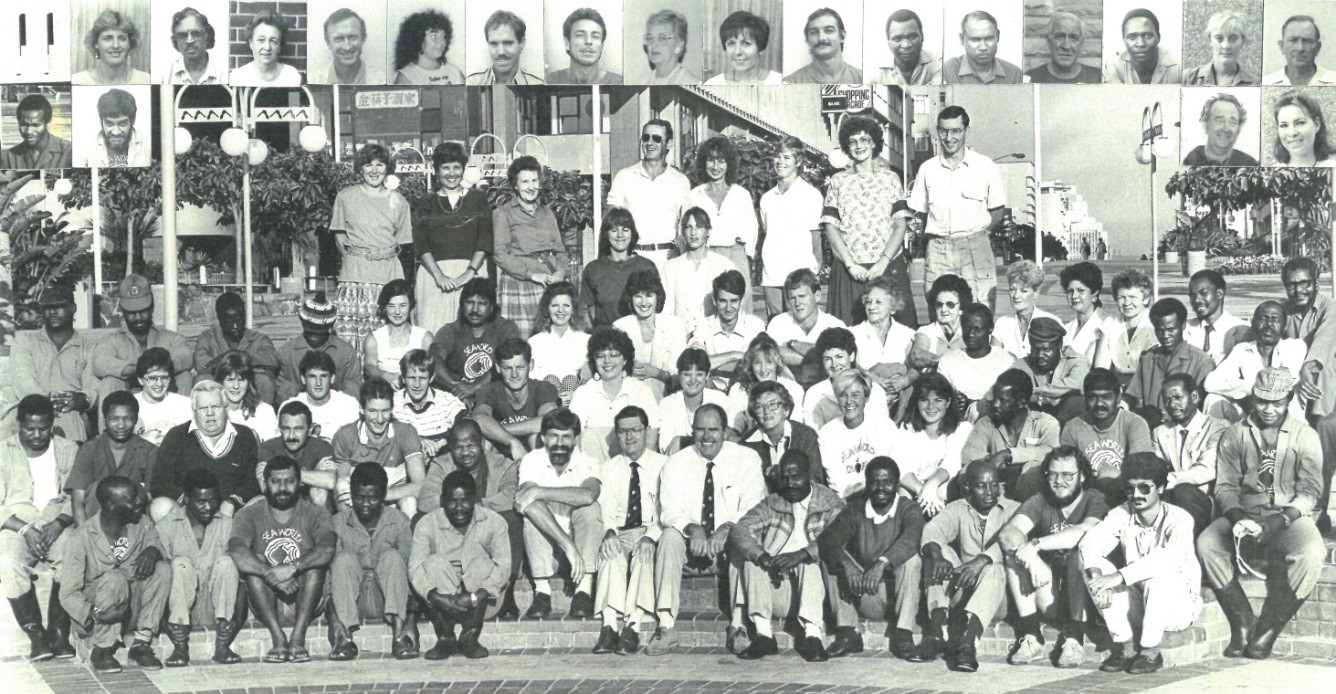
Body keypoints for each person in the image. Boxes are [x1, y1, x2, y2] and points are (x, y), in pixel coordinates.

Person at [1196, 368, 1324, 660]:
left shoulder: (1305, 435)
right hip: (1245, 512)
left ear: (1288, 400)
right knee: (1207, 544)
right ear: (1253, 398)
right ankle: (1242, 619)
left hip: (1288, 515)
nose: (1268, 409)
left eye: (1277, 403)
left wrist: (1282, 519)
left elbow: (1310, 491)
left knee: (1312, 553)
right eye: (1262, 401)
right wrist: (1237, 517)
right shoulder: (1235, 433)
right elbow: (1225, 486)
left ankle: (1268, 628)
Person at [650, 405, 766, 655]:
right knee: (669, 536)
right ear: (692, 431)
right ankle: (666, 625)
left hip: (727, 548)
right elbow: (669, 511)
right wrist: (694, 529)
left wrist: (726, 528)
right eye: (700, 430)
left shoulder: (746, 459)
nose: (706, 437)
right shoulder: (676, 462)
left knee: (743, 536)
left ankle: (738, 625)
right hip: (691, 548)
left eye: (713, 430)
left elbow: (752, 506)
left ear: (725, 431)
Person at [1080, 454, 1203, 675]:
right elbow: (1090, 543)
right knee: (1093, 566)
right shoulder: (1122, 513)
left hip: (1176, 607)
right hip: (1140, 605)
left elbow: (1168, 558)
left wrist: (1118, 577)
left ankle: (1150, 651)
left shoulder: (1180, 519)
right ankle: (1126, 646)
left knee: (1159, 576)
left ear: (1161, 488)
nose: (1136, 495)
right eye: (1130, 488)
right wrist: (1099, 580)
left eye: (1144, 488)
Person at [998, 446, 1109, 668]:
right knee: (1014, 553)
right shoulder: (1041, 500)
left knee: (1081, 551)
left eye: (1067, 475)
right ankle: (1032, 636)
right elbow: (1008, 533)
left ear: (1082, 476)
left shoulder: (1095, 499)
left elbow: (1084, 531)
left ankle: (1075, 639)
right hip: (1050, 594)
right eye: (1053, 474)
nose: (1059, 481)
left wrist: (1036, 544)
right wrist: (1032, 559)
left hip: (1088, 597)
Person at [729, 451, 843, 662]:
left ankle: (813, 636)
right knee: (752, 561)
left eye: (796, 477)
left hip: (814, 592)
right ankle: (764, 636)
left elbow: (840, 537)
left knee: (809, 563)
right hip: (777, 586)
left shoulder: (829, 502)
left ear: (809, 476)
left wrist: (802, 554)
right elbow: (740, 530)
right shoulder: (774, 502)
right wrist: (763, 557)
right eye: (785, 478)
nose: (790, 484)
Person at [908, 461, 1018, 672]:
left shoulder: (1014, 509)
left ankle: (968, 643)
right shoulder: (958, 507)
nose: (989, 492)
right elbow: (934, 528)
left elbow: (1013, 541)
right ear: (968, 486)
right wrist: (937, 555)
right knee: (937, 551)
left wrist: (982, 560)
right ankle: (936, 634)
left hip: (997, 598)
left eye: (994, 485)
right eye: (981, 486)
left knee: (994, 568)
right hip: (963, 592)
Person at [228, 457, 335, 663]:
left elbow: (327, 549)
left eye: (290, 481)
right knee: (255, 564)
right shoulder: (248, 514)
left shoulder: (316, 513)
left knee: (315, 566)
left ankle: (298, 637)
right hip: (266, 601)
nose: (283, 488)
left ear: (300, 483)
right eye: (276, 482)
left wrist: (292, 567)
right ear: (265, 484)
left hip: (306, 598)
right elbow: (237, 551)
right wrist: (272, 573)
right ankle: (278, 637)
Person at [58, 475, 168, 672]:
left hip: (129, 611)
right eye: (131, 499)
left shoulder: (141, 523)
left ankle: (141, 644)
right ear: (111, 505)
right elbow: (67, 594)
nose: (139, 502)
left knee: (162, 569)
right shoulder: (79, 539)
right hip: (97, 617)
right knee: (115, 577)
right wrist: (96, 614)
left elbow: (156, 543)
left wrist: (153, 551)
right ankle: (102, 649)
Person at [417, 418, 523, 620]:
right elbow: (425, 500)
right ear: (450, 448)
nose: (465, 452)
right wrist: (456, 507)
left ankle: (507, 592)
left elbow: (511, 496)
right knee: (419, 520)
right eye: (458, 447)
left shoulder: (502, 464)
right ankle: (425, 596)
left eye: (471, 445)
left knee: (512, 519)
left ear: (482, 443)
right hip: (451, 528)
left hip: (486, 530)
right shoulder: (441, 464)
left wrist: (474, 507)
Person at [818, 457, 924, 659]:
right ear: (867, 484)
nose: (881, 488)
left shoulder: (908, 508)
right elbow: (828, 539)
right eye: (875, 482)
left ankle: (904, 634)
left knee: (912, 559)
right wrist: (847, 565)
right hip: (865, 592)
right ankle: (848, 633)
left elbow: (911, 539)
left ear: (897, 484)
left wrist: (882, 564)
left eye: (887, 482)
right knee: (831, 557)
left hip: (897, 596)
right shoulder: (855, 509)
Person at [0, 395, 78, 662]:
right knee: (7, 560)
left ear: (52, 424)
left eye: (43, 429)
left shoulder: (68, 449)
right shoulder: (2, 451)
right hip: (16, 524)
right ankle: (36, 636)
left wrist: (60, 523)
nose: (36, 435)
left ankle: (59, 633)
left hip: (57, 521)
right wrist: (25, 529)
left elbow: (77, 495)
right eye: (29, 428)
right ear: (18, 424)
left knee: (72, 553)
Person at [908, 106, 1006, 309]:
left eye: (956, 131)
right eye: (943, 131)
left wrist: (980, 234)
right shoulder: (927, 169)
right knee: (940, 309)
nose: (949, 137)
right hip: (938, 250)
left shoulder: (984, 166)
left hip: (976, 248)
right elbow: (920, 212)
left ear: (966, 131)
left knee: (979, 310)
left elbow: (997, 209)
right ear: (937, 131)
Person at [822, 115, 915, 326]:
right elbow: (830, 227)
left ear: (874, 143)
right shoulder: (838, 181)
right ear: (847, 146)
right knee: (849, 332)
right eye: (853, 141)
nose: (859, 146)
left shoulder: (890, 179)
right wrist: (850, 265)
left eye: (864, 139)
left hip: (886, 267)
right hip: (851, 271)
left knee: (895, 331)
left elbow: (900, 225)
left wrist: (883, 262)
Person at [149, 469, 245, 667]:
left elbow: (243, 579)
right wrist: (166, 622)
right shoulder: (167, 526)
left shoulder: (229, 525)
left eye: (213, 500)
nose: (208, 507)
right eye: (201, 501)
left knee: (227, 562)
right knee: (179, 564)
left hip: (218, 609)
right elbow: (160, 579)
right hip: (180, 613)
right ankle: (180, 647)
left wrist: (235, 621)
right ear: (186, 499)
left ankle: (223, 646)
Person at [411, 469, 510, 659]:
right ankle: (445, 638)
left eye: (465, 500)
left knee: (482, 563)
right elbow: (415, 568)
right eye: (452, 501)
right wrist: (434, 596)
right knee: (434, 563)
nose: (459, 507)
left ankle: (470, 636)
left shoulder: (495, 522)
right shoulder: (426, 524)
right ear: (442, 501)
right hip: (441, 601)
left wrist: (474, 597)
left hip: (482, 601)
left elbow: (503, 567)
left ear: (475, 499)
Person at [592, 406, 666, 655]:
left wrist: (650, 537)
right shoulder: (608, 468)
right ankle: (609, 626)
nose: (629, 436)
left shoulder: (663, 465)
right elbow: (607, 509)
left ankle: (633, 625)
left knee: (644, 556)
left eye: (635, 430)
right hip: (621, 530)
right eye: (623, 431)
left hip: (651, 529)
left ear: (646, 431)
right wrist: (609, 533)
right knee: (609, 553)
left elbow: (666, 510)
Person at [516, 409, 602, 619]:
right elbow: (524, 502)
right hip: (549, 552)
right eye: (554, 436)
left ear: (576, 439)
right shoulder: (532, 459)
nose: (560, 443)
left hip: (581, 554)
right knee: (531, 514)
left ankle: (583, 591)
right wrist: (568, 546)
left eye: (566, 437)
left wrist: (539, 492)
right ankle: (542, 592)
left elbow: (588, 495)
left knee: (590, 509)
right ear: (543, 437)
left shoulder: (588, 461)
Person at [326, 463, 415, 661]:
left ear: (383, 495)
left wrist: (411, 617)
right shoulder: (337, 523)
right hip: (350, 601)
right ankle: (344, 638)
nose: (365, 504)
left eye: (373, 497)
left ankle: (400, 636)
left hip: (388, 601)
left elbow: (410, 573)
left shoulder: (399, 521)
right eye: (360, 497)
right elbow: (330, 579)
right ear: (351, 494)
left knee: (392, 556)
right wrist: (333, 618)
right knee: (343, 559)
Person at [331, 145, 414, 338]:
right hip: (355, 276)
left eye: (380, 165)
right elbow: (339, 237)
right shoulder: (345, 197)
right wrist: (357, 259)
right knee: (352, 335)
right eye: (368, 165)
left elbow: (404, 244)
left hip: (388, 276)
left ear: (388, 168)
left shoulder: (399, 201)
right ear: (360, 168)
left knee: (386, 334)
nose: (374, 171)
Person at [411, 142, 492, 333]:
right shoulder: (425, 202)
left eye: (456, 167)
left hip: (472, 274)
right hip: (434, 278)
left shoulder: (478, 199)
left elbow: (485, 240)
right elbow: (421, 244)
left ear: (463, 169)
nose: (451, 173)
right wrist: (439, 276)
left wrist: (469, 274)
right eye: (445, 168)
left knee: (472, 334)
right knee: (434, 333)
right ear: (436, 171)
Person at [152, 381, 264, 509]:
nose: (210, 413)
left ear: (225, 408)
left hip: (232, 511)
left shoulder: (244, 435)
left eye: (215, 407)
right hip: (188, 512)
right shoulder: (177, 436)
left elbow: (252, 481)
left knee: (261, 502)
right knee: (160, 507)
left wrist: (232, 503)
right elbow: (160, 482)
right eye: (203, 408)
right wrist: (193, 502)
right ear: (194, 410)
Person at [493, 156, 571, 336]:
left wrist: (560, 272)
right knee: (522, 341)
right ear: (515, 185)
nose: (531, 187)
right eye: (525, 181)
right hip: (519, 284)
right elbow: (500, 255)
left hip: (549, 284)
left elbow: (560, 250)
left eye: (534, 181)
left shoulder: (547, 212)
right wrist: (532, 275)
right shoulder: (503, 213)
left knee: (551, 339)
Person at [9, 284, 97, 443]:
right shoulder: (25, 342)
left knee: (69, 428)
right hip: (31, 409)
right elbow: (23, 381)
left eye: (59, 306)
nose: (52, 312)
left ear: (72, 308)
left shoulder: (88, 347)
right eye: (47, 307)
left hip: (70, 412)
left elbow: (92, 385)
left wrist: (81, 399)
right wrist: (45, 402)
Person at [328, 378, 426, 518]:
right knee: (342, 486)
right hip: (360, 501)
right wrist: (364, 498)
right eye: (373, 411)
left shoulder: (406, 432)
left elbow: (420, 485)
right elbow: (343, 480)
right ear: (362, 409)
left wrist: (378, 496)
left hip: (393, 498)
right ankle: (352, 529)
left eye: (385, 411)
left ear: (392, 410)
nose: (380, 419)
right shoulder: (346, 435)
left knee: (409, 502)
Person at [961, 369, 1060, 502]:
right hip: (994, 493)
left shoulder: (1045, 422)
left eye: (1003, 400)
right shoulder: (987, 422)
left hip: (1030, 498)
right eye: (995, 398)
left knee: (1033, 469)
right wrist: (991, 460)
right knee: (967, 472)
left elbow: (1051, 451)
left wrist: (1008, 455)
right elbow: (968, 453)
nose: (995, 404)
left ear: (1022, 402)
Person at [91, 274, 194, 402]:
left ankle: (182, 416)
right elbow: (99, 363)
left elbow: (185, 357)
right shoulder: (111, 340)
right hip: (126, 406)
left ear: (152, 308)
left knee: (184, 376)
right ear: (123, 311)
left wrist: (156, 371)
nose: (138, 317)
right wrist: (140, 369)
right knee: (111, 381)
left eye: (143, 311)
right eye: (132, 313)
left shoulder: (172, 338)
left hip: (164, 400)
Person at [606, 120, 691, 271]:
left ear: (669, 144)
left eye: (656, 138)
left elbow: (685, 225)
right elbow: (610, 222)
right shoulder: (624, 176)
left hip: (668, 261)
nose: (650, 143)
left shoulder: (681, 181)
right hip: (632, 259)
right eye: (646, 138)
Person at [1205, 301, 1308, 422]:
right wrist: (1251, 388)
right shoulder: (1242, 350)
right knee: (1213, 399)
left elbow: (1282, 382)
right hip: (1252, 417)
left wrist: (1249, 392)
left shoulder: (1295, 347)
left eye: (1275, 319)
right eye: (1263, 318)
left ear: (1284, 327)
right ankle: (1216, 433)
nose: (1268, 324)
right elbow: (1210, 383)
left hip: (1286, 420)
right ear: (1253, 324)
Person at [569, 328, 660, 464]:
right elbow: (572, 435)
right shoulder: (584, 392)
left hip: (632, 463)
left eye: (614, 355)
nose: (607, 361)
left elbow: (651, 436)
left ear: (625, 360)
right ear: (594, 361)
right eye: (601, 356)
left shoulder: (641, 390)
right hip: (593, 466)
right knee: (589, 435)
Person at [1150, 374, 1225, 535]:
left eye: (1178, 397)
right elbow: (1157, 468)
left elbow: (1207, 469)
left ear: (1194, 397)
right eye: (1167, 400)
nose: (1172, 404)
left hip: (1204, 500)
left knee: (1182, 491)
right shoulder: (1160, 432)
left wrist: (1170, 479)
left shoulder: (1217, 427)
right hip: (1171, 495)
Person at [1059, 369, 1154, 497]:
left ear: (1118, 398)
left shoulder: (1134, 423)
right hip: (1085, 493)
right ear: (1085, 399)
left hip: (1125, 494)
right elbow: (1067, 470)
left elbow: (1140, 468)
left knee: (1109, 473)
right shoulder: (1072, 427)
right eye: (1092, 397)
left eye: (1106, 397)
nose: (1099, 403)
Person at [889, 374, 974, 517]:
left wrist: (932, 485)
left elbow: (952, 463)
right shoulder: (907, 429)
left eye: (938, 400)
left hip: (944, 491)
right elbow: (900, 467)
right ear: (917, 402)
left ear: (948, 402)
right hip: (918, 491)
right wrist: (923, 491)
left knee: (942, 490)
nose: (931, 407)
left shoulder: (962, 429)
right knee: (902, 493)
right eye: (924, 400)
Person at [66, 391, 155, 525]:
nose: (121, 425)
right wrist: (83, 532)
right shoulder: (89, 449)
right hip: (94, 526)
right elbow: (78, 500)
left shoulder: (149, 451)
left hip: (132, 524)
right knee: (97, 488)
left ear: (136, 420)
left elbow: (150, 498)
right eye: (114, 419)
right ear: (104, 420)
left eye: (127, 419)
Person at [757, 137, 822, 318]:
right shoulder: (766, 198)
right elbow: (767, 232)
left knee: (801, 323)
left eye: (787, 157)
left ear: (798, 161)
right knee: (775, 324)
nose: (780, 162)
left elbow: (816, 237)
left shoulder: (811, 195)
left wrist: (815, 269)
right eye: (778, 157)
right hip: (772, 274)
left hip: (800, 274)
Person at [684, 137, 758, 295]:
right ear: (704, 163)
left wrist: (745, 258)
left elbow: (751, 231)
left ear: (729, 164)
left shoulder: (741, 195)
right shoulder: (694, 196)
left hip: (736, 258)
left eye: (721, 161)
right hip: (703, 257)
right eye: (711, 160)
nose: (716, 167)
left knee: (737, 304)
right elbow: (683, 232)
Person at [1126, 298, 1217, 426]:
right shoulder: (1148, 359)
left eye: (1170, 329)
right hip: (1149, 428)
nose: (1165, 335)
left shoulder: (1203, 362)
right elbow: (1133, 397)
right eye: (1159, 330)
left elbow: (1199, 408)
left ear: (1183, 325)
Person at [431, 277, 522, 401]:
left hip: (496, 397)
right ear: (462, 305)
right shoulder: (450, 331)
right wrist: (457, 388)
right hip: (458, 398)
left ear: (491, 307)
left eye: (482, 304)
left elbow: (510, 362)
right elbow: (434, 358)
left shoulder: (505, 328)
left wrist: (475, 387)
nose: (475, 310)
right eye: (469, 302)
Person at [470, 338, 560, 461]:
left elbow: (547, 421)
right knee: (485, 442)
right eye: (508, 368)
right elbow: (478, 419)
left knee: (536, 437)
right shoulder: (489, 390)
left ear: (531, 365)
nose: (514, 374)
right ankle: (489, 474)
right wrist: (512, 441)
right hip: (501, 451)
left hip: (532, 453)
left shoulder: (543, 388)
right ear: (498, 368)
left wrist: (498, 429)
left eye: (520, 367)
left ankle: (539, 473)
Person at [818, 369, 896, 499]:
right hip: (848, 501)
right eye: (843, 395)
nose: (849, 401)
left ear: (866, 397)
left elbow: (888, 473)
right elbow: (838, 485)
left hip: (882, 496)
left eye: (855, 395)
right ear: (837, 398)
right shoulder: (827, 434)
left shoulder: (884, 426)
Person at [193, 292, 281, 406]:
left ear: (244, 317)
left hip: (248, 393)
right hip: (218, 393)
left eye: (239, 321)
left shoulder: (257, 338)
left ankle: (262, 414)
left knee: (264, 380)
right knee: (202, 379)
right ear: (220, 320)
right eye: (229, 322)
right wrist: (228, 361)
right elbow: (200, 363)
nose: (235, 326)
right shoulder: (208, 337)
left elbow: (274, 359)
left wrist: (244, 358)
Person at [937, 304, 1022, 418]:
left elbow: (1012, 401)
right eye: (967, 328)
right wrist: (953, 401)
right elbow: (939, 397)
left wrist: (971, 403)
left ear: (990, 329)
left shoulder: (1006, 360)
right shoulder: (948, 360)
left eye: (977, 329)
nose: (971, 334)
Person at [661, 208, 737, 334]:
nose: (693, 233)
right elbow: (666, 311)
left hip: (714, 336)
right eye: (688, 227)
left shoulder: (724, 265)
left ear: (708, 231)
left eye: (699, 227)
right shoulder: (671, 267)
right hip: (680, 336)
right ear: (683, 232)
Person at [276, 292, 361, 403]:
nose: (313, 337)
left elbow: (354, 386)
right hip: (298, 407)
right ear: (303, 325)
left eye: (319, 333)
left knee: (351, 387)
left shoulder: (346, 352)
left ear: (329, 328)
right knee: (286, 387)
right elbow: (281, 388)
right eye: (310, 332)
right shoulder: (286, 351)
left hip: (336, 406)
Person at [581, 207, 657, 329]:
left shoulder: (646, 266)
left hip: (637, 335)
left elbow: (654, 307)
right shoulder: (593, 269)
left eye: (625, 230)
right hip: (606, 335)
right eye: (614, 230)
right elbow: (590, 310)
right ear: (606, 234)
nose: (620, 235)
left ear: (632, 233)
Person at [802, 328, 892, 431]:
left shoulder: (875, 391)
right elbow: (813, 433)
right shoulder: (814, 394)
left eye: (839, 357)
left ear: (852, 356)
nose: (834, 364)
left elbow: (883, 430)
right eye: (827, 359)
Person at [770, 269, 849, 388]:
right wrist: (820, 358)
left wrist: (792, 345)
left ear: (817, 296)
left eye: (802, 296)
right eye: (792, 298)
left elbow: (842, 361)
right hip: (789, 389)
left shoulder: (835, 325)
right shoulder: (778, 322)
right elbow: (769, 352)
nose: (797, 303)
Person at [741, 380, 823, 491]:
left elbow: (816, 479)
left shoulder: (805, 435)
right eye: (759, 407)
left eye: (773, 404)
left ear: (786, 410)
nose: (766, 411)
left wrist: (778, 473)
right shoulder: (746, 443)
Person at [689, 270, 765, 385]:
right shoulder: (703, 325)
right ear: (714, 301)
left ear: (742, 301)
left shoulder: (755, 325)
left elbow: (758, 364)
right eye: (723, 301)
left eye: (734, 301)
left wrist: (712, 364)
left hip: (746, 387)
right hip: (711, 389)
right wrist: (734, 355)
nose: (728, 308)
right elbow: (694, 364)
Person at [851, 278, 916, 411]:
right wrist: (869, 376)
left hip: (902, 405)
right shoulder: (852, 334)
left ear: (893, 307)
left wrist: (905, 380)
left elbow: (917, 369)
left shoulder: (908, 335)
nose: (871, 307)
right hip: (865, 405)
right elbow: (847, 368)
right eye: (868, 301)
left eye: (878, 302)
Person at [258, 400, 337, 508]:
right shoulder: (268, 448)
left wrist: (279, 475)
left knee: (319, 492)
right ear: (279, 429)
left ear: (310, 429)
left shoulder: (321, 446)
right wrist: (313, 473)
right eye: (286, 429)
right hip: (279, 504)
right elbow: (264, 487)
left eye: (298, 429)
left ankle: (319, 520)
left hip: (310, 505)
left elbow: (330, 481)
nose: (291, 436)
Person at [392, 350, 466, 458]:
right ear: (403, 378)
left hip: (442, 459)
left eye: (422, 378)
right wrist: (417, 441)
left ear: (431, 378)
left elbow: (466, 426)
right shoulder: (393, 403)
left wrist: (441, 443)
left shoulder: (446, 401)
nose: (417, 385)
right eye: (411, 378)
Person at [724, 335, 806, 432]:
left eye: (769, 362)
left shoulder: (794, 389)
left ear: (777, 363)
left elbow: (796, 428)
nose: (763, 369)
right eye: (757, 362)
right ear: (751, 364)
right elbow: (733, 428)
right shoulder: (739, 389)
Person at [657, 348, 729, 455]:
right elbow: (666, 446)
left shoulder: (720, 399)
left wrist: (682, 441)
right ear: (679, 375)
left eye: (699, 374)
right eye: (687, 374)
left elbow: (726, 439)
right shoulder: (667, 404)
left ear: (707, 376)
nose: (693, 380)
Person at [528, 282, 590, 407]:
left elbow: (590, 380)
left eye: (566, 305)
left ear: (573, 309)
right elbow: (531, 379)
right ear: (547, 309)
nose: (560, 310)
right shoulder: (534, 342)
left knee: (571, 380)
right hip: (546, 404)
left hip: (578, 404)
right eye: (555, 305)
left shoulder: (586, 340)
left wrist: (576, 395)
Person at [1021, 316, 1090, 425]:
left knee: (1077, 402)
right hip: (1032, 421)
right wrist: (1043, 399)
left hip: (1064, 420)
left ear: (1060, 345)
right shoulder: (1024, 363)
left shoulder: (1077, 361)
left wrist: (1029, 392)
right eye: (1035, 349)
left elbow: (1074, 386)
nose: (1040, 355)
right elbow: (1008, 390)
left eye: (1046, 349)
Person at [278, 350, 361, 441]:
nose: (318, 383)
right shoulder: (290, 407)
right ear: (303, 379)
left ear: (332, 378)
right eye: (312, 376)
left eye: (323, 376)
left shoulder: (349, 404)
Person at [364, 280, 432, 386]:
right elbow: (369, 366)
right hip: (384, 390)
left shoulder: (425, 337)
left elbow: (432, 371)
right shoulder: (373, 338)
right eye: (391, 306)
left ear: (410, 306)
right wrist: (386, 376)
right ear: (385, 308)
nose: (397, 312)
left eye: (402, 305)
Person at [1183, 269, 1251, 363]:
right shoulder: (1184, 329)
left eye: (1203, 293)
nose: (1197, 300)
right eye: (1192, 295)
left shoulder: (1242, 329)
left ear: (1219, 294)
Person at [994, 261, 1058, 360]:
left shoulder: (1051, 323)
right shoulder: (1001, 323)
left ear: (1036, 293)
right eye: (1012, 289)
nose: (1016, 296)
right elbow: (992, 361)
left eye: (1023, 291)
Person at [909, 274, 972, 371]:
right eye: (939, 304)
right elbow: (917, 355)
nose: (943, 309)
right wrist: (949, 361)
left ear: (961, 308)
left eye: (950, 305)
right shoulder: (927, 331)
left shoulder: (970, 331)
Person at [1105, 269, 1159, 384]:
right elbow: (1101, 368)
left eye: (1133, 297)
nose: (1126, 303)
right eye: (1121, 297)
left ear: (1145, 299)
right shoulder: (1110, 324)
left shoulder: (1157, 325)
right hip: (1114, 386)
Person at [71, 9, 149, 85]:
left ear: (130, 43)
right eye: (108, 38)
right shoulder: (77, 81)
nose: (115, 45)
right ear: (96, 43)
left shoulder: (145, 80)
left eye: (122, 38)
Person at [785, 8, 862, 84]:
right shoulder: (790, 83)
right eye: (814, 32)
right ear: (807, 39)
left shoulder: (861, 79)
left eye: (829, 30)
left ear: (842, 36)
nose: (821, 38)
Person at [215, 352, 280, 442]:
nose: (236, 386)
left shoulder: (264, 411)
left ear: (249, 383)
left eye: (241, 380)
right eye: (230, 380)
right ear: (221, 382)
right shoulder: (212, 413)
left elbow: (273, 448)